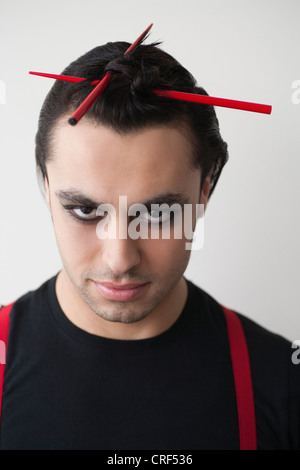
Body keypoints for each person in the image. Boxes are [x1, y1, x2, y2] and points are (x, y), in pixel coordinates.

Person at [0, 34, 299, 451]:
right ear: (46, 188)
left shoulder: (282, 380)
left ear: (205, 188)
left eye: (157, 214)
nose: (120, 257)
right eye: (85, 211)